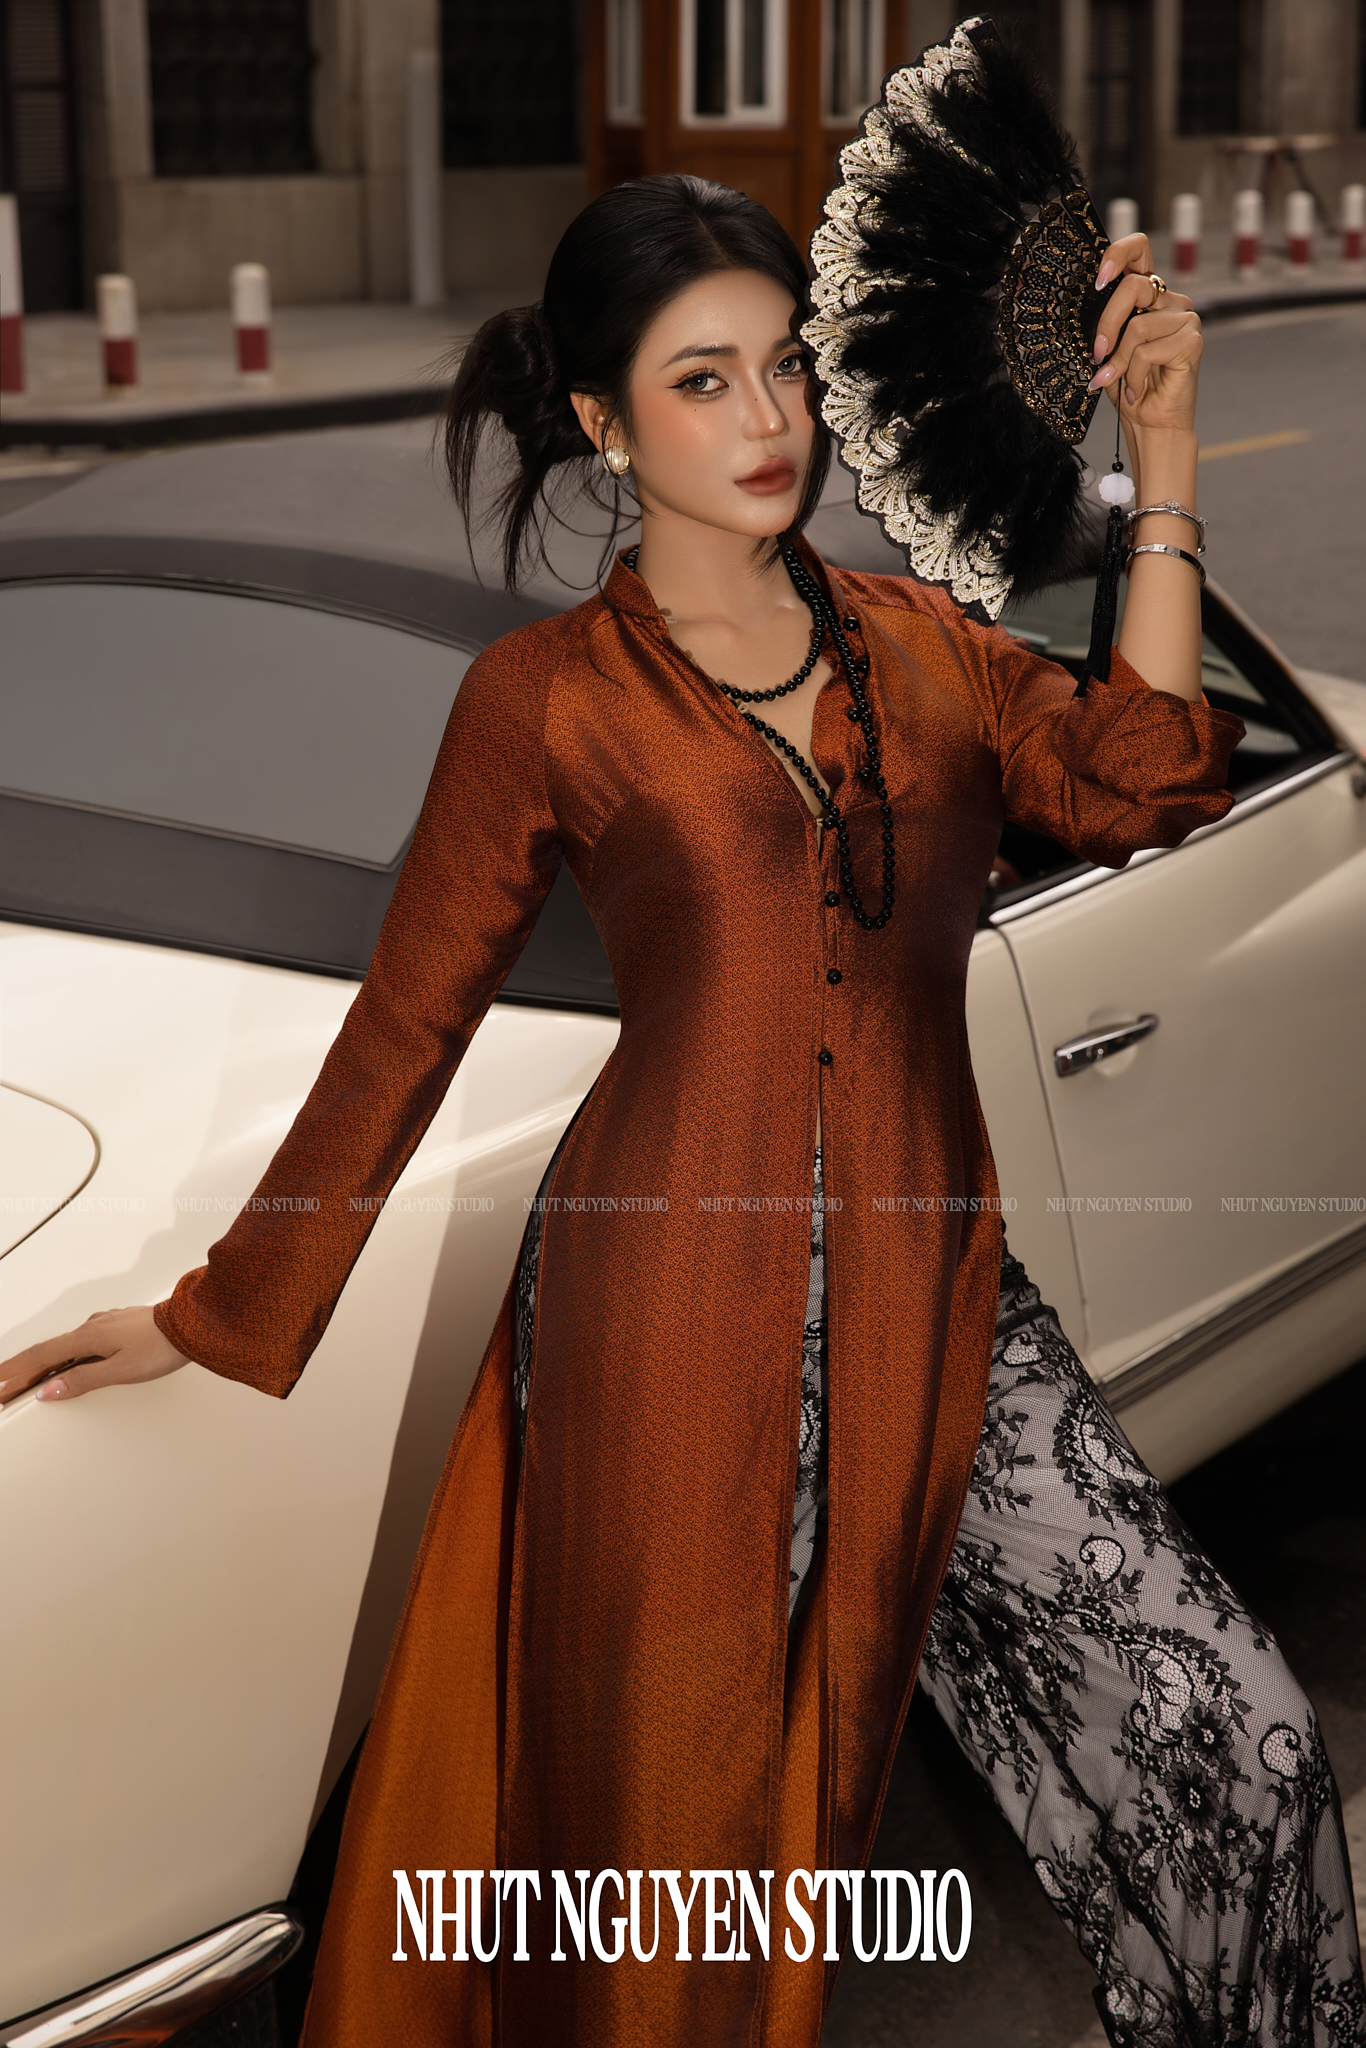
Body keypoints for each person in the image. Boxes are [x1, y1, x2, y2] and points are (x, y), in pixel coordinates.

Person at [2, 174, 1361, 2048]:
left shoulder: (920, 644)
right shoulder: (542, 704)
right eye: (702, 380)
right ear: (604, 421)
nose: (767, 418)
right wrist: (214, 1312)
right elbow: (404, 1029)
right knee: (682, 1862)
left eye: (784, 366)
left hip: (942, 1310)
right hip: (658, 1337)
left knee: (1235, 1738)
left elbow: (1145, 774)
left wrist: (1167, 455)